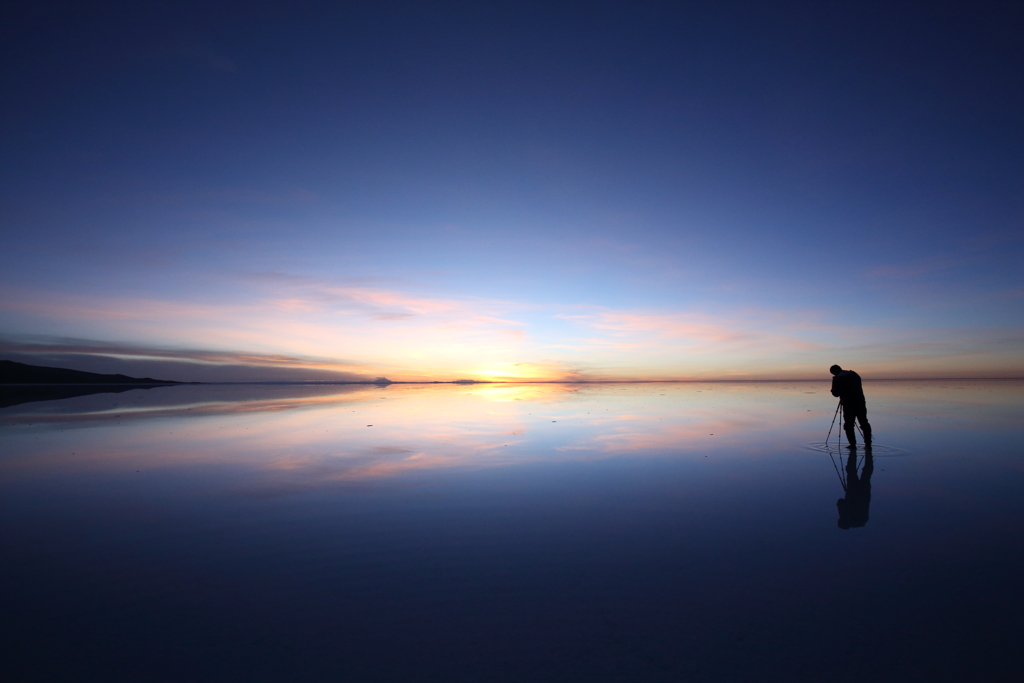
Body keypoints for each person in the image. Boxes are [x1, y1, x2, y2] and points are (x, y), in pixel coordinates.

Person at [830, 364, 872, 447]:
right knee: (864, 423)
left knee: (849, 425)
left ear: (834, 372)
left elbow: (836, 393)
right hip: (860, 402)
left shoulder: (838, 378)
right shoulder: (854, 375)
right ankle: (868, 444)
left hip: (848, 404)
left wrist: (833, 389)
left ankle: (852, 444)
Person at [837, 447, 873, 529]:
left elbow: (841, 502)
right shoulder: (844, 516)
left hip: (865, 493)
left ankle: (868, 453)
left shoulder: (862, 520)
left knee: (866, 472)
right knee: (851, 470)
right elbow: (840, 501)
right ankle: (857, 451)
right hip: (852, 490)